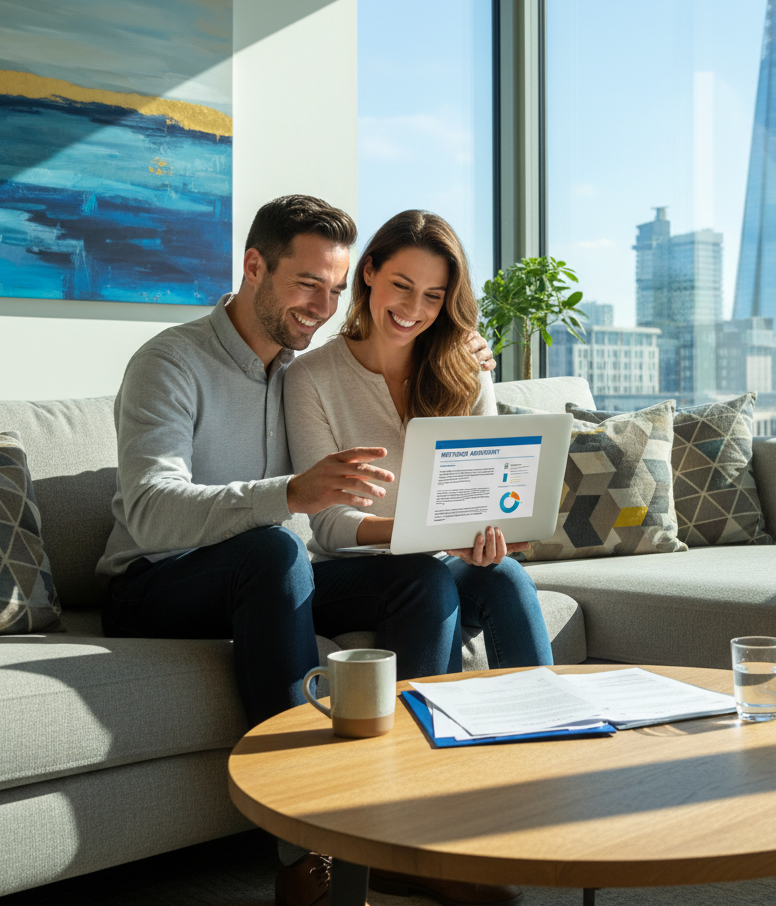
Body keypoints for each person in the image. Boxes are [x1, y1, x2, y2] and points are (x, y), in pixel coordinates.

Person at [96, 194, 499, 906]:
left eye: (335, 288)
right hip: (155, 584)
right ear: (255, 267)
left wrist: (460, 349)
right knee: (274, 552)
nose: (322, 305)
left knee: (421, 582)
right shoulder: (170, 361)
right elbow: (151, 513)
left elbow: (381, 356)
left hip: (267, 579)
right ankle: (305, 849)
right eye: (307, 283)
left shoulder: (300, 370)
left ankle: (405, 832)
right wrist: (289, 495)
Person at [284, 209, 554, 687]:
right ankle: (426, 750)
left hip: (438, 562)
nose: (415, 308)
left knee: (507, 576)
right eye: (402, 285)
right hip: (348, 574)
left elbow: (487, 490)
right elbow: (328, 526)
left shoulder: (467, 368)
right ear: (369, 272)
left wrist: (488, 535)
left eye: (433, 296)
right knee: (426, 580)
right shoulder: (310, 378)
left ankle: (552, 734)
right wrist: (429, 534)